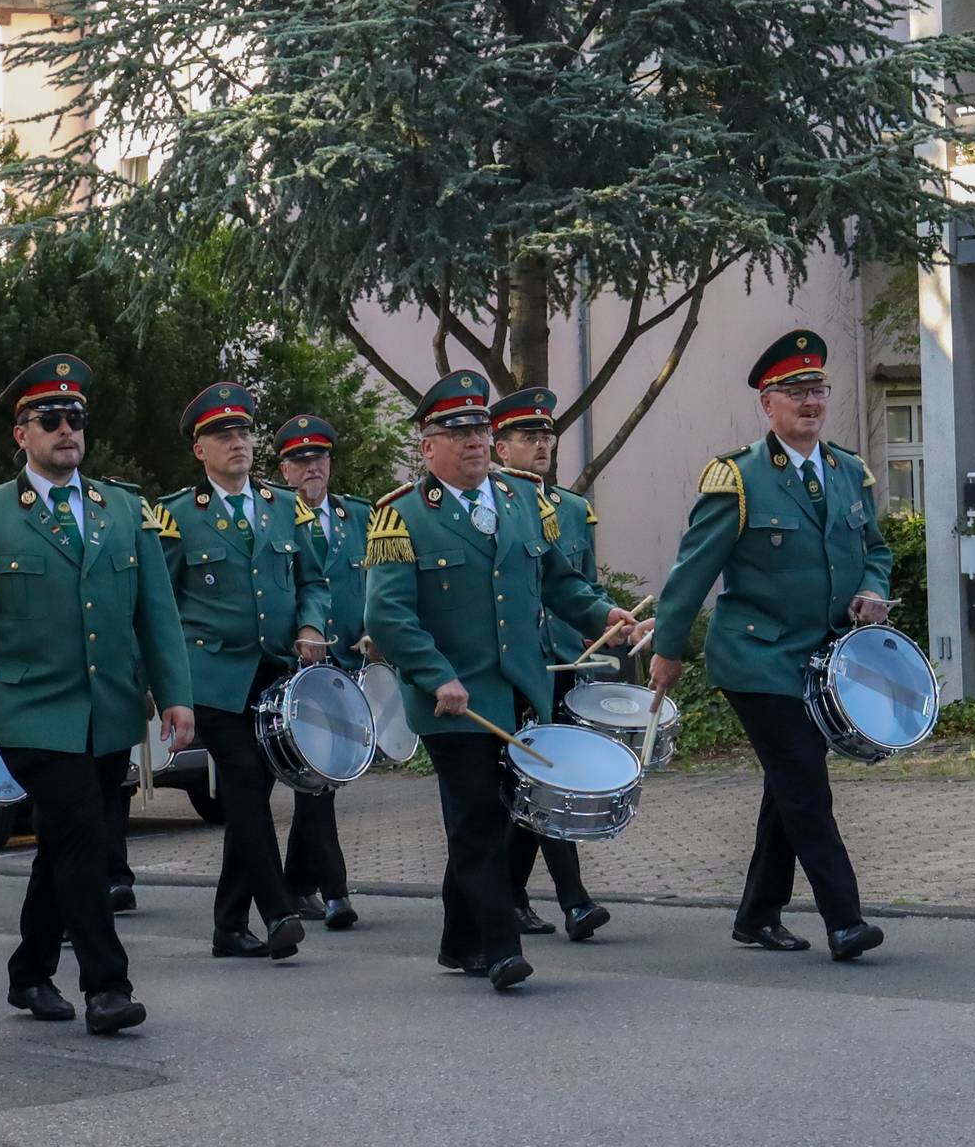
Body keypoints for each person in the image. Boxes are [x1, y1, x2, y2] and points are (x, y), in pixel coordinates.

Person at [0, 353, 193, 1036]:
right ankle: (107, 986)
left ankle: (29, 970)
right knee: (82, 837)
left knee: (69, 842)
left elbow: (156, 612)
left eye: (75, 418)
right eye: (51, 420)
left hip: (107, 710)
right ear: (22, 435)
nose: (67, 429)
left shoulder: (124, 509)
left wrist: (175, 695)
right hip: (28, 712)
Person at [361, 373, 645, 991]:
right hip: (453, 699)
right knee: (475, 819)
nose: (474, 442)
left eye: (479, 430)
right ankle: (500, 948)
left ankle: (459, 939)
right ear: (428, 446)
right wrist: (436, 676)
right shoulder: (401, 517)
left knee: (496, 815)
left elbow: (559, 582)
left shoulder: (523, 501)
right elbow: (387, 617)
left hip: (521, 687)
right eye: (457, 432)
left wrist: (605, 616)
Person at [646, 330, 891, 961]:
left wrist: (872, 588)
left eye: (818, 390)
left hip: (825, 659)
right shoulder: (738, 478)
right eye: (795, 392)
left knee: (789, 784)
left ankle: (757, 915)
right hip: (756, 658)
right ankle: (845, 921)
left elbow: (877, 550)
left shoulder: (849, 471)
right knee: (805, 781)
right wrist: (668, 651)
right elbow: (692, 573)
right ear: (768, 403)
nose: (810, 403)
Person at [156, 381, 331, 961]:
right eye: (222, 435)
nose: (237, 443)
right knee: (246, 784)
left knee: (253, 790)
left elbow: (313, 581)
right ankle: (277, 909)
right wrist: (161, 683)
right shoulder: (177, 516)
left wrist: (311, 625)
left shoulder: (284, 507)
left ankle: (229, 925)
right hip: (212, 675)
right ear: (199, 449)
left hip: (274, 673)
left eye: (243, 433)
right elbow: (158, 603)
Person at [487, 388, 611, 942]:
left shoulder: (573, 509)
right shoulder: (492, 505)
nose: (541, 445)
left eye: (546, 435)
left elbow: (580, 585)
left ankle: (510, 894)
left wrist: (609, 622)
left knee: (542, 780)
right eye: (528, 437)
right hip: (515, 668)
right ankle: (574, 900)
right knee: (541, 778)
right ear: (501, 447)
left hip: (563, 664)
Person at [273, 414, 369, 930]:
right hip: (297, 670)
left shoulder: (361, 517)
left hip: (347, 665)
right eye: (301, 460)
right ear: (284, 470)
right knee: (318, 778)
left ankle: (296, 884)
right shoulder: (275, 517)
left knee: (319, 781)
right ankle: (335, 891)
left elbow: (379, 585)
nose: (312, 468)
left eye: (320, 458)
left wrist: (376, 632)